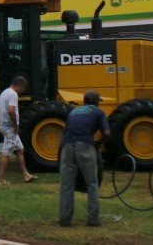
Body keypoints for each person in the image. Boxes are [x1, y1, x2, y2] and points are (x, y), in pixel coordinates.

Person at [59, 90, 111, 227]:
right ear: (95, 102)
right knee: (92, 183)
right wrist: (98, 145)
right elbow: (107, 133)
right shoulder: (99, 113)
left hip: (67, 146)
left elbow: (64, 134)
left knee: (66, 185)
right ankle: (93, 220)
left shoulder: (73, 112)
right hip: (85, 145)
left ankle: (65, 220)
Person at [0, 75, 37, 185]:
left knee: (20, 149)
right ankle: (0, 179)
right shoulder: (13, 94)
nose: (22, 90)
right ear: (19, 85)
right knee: (6, 152)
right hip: (10, 127)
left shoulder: (4, 92)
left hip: (4, 125)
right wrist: (15, 125)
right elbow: (11, 110)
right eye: (23, 88)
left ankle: (26, 175)